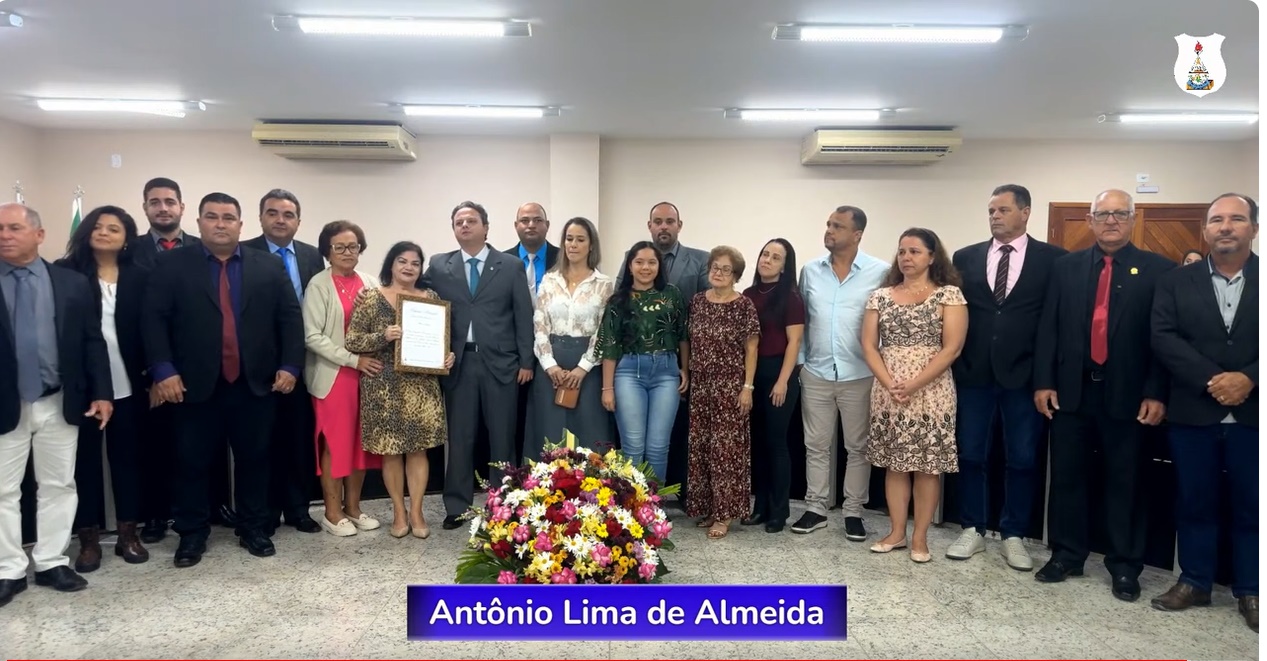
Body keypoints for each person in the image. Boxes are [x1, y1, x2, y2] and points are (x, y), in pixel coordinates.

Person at [143, 192, 305, 568]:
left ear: (240, 224)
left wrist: (291, 366)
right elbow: (154, 320)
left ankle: (253, 526)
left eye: (228, 218)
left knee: (255, 459)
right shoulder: (172, 265)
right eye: (212, 217)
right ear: (198, 222)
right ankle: (192, 533)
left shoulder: (267, 266)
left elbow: (289, 320)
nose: (220, 224)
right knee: (193, 462)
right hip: (193, 384)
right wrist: (163, 370)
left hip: (255, 383)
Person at [1033, 189, 1174, 601]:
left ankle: (1125, 566)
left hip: (1129, 398)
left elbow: (1161, 340)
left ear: (1132, 220)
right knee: (1067, 478)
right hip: (1072, 395)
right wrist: (1044, 382)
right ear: (1091, 221)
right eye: (1103, 214)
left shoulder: (1158, 270)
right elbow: (1049, 329)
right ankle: (1067, 554)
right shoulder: (1066, 267)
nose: (1111, 221)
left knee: (1126, 482)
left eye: (1120, 214)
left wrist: (1155, 392)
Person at [1150, 193, 1259, 632]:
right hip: (1194, 411)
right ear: (1205, 230)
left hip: (1255, 417)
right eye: (1217, 220)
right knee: (1195, 502)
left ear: (1254, 226)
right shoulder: (1178, 281)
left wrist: (1250, 378)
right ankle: (1194, 581)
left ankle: (1251, 588)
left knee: (1253, 506)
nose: (1226, 226)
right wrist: (1216, 379)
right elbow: (1163, 335)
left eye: (1237, 219)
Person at [948, 184, 1066, 570]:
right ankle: (973, 528)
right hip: (974, 374)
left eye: (1003, 210)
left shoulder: (1053, 260)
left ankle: (1014, 533)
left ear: (1025, 212)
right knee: (971, 454)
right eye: (991, 210)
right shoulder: (965, 257)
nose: (995, 216)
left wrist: (1046, 378)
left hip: (1025, 378)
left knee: (1022, 458)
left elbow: (1054, 323)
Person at [0, 203, 113, 605]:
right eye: (0, 228)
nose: (4, 235)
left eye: (13, 228)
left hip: (60, 400)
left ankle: (50, 561)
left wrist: (102, 392)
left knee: (59, 485)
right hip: (5, 404)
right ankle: (8, 569)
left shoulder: (70, 282)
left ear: (39, 234)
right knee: (3, 490)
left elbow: (91, 341)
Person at [127, 177, 228, 543]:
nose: (163, 208)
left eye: (170, 201)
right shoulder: (131, 250)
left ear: (182, 208)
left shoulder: (206, 250)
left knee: (208, 447)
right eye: (155, 202)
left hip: (207, 369)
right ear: (146, 208)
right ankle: (155, 515)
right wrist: (157, 370)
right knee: (156, 446)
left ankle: (216, 507)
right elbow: (147, 317)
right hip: (155, 368)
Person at [425, 201, 534, 530]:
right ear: (453, 229)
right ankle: (456, 505)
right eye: (459, 221)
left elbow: (523, 316)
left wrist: (526, 361)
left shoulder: (510, 265)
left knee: (502, 437)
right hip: (459, 364)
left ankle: (502, 503)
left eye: (472, 221)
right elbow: (418, 299)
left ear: (486, 227)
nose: (465, 226)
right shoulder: (439, 265)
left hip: (502, 363)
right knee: (460, 439)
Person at [862, 228, 967, 562]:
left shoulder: (949, 295)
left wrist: (914, 383)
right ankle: (896, 533)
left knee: (926, 467)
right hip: (888, 390)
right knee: (895, 464)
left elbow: (951, 348)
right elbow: (868, 344)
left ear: (932, 257)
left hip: (931, 392)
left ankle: (920, 538)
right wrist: (889, 381)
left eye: (915, 251)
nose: (906, 257)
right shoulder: (880, 296)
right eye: (902, 251)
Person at [56, 206, 151, 570]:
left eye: (114, 228)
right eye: (98, 226)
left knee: (127, 461)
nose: (105, 232)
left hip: (128, 382)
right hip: (81, 385)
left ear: (127, 236)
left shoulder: (140, 276)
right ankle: (88, 540)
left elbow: (149, 330)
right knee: (84, 464)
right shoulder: (64, 273)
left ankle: (128, 534)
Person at [346, 242, 454, 539]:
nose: (408, 267)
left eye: (415, 263)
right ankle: (398, 511)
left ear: (421, 269)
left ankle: (417, 511)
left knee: (419, 451)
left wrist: (448, 356)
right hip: (383, 387)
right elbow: (352, 340)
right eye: (402, 261)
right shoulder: (370, 297)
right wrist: (383, 335)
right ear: (391, 265)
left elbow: (443, 339)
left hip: (421, 386)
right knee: (391, 452)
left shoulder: (430, 298)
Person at [793, 206, 889, 540]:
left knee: (858, 447)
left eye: (838, 226)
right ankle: (816, 507)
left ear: (857, 234)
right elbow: (801, 320)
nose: (829, 230)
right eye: (829, 224)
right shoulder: (810, 271)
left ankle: (853, 511)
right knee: (815, 445)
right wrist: (802, 362)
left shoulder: (880, 272)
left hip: (860, 374)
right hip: (817, 372)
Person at [242, 189, 325, 535]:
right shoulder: (244, 253)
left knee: (297, 440)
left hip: (303, 363)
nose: (280, 220)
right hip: (256, 366)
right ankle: (264, 514)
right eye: (272, 213)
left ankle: (297, 509)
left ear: (298, 221)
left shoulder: (310, 256)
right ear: (261, 217)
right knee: (260, 444)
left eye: (288, 214)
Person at [301, 221, 382, 537]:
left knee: (361, 445)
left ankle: (354, 507)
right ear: (327, 251)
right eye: (340, 247)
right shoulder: (319, 285)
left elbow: (383, 325)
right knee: (335, 444)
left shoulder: (370, 282)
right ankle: (332, 513)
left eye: (354, 246)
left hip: (368, 378)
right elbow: (312, 336)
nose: (348, 252)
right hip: (335, 377)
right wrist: (354, 360)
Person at [596, 241, 690, 483]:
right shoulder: (618, 301)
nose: (645, 267)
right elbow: (610, 346)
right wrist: (607, 388)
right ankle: (632, 507)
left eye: (651, 262)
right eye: (639, 262)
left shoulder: (672, 295)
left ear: (659, 266)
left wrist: (685, 369)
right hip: (628, 374)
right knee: (633, 446)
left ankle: (654, 507)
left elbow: (682, 335)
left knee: (658, 446)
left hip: (667, 374)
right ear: (630, 266)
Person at [686, 246, 760, 540]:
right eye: (715, 267)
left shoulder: (744, 306)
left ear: (736, 275)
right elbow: (689, 341)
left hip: (731, 386)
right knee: (703, 447)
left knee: (725, 451)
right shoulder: (697, 302)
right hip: (701, 385)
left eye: (725, 269)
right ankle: (708, 507)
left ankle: (726, 513)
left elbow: (751, 348)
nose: (718, 273)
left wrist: (748, 387)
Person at [528, 217, 614, 458]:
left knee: (589, 432)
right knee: (550, 433)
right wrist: (549, 364)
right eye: (569, 239)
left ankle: (592, 492)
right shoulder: (549, 280)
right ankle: (545, 492)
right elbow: (540, 324)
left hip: (588, 367)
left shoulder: (603, 284)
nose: (573, 244)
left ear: (591, 245)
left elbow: (604, 331)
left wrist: (583, 368)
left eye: (580, 239)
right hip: (551, 366)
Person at [742, 239, 805, 534]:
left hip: (780, 373)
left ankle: (779, 512)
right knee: (757, 444)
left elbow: (794, 342)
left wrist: (782, 381)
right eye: (765, 254)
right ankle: (760, 507)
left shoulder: (790, 297)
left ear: (784, 265)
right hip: (752, 376)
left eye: (775, 257)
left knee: (777, 444)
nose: (767, 260)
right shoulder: (747, 294)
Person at [505, 202, 558, 297]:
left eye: (538, 220)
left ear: (547, 225)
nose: (531, 225)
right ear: (516, 226)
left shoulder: (563, 258)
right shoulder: (502, 262)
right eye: (525, 221)